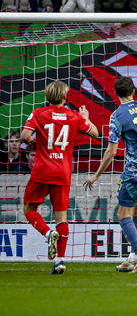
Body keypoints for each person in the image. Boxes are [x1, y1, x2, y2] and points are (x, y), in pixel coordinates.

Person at [83, 77, 137, 273]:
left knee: (123, 214)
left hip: (135, 173)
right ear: (134, 90)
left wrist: (97, 175)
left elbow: (112, 151)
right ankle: (132, 257)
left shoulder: (117, 116)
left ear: (116, 93)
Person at [21, 81, 99, 274]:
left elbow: (24, 136)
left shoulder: (39, 113)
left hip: (42, 170)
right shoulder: (73, 116)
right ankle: (61, 260)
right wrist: (85, 118)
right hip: (62, 172)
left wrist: (34, 139)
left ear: (47, 97)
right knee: (61, 216)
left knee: (29, 208)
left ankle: (48, 234)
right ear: (65, 98)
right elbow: (96, 133)